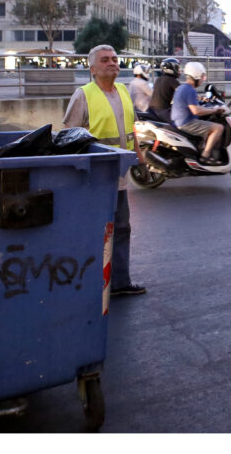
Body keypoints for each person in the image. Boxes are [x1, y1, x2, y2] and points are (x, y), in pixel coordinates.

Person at [63, 44, 147, 297]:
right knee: (95, 229)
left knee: (122, 228)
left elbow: (130, 129)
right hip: (95, 177)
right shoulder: (83, 94)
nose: (112, 63)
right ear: (92, 69)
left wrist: (140, 156)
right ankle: (87, 281)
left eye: (114, 59)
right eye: (105, 60)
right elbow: (69, 134)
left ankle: (120, 282)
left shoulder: (122, 90)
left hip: (119, 176)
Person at [171, 61, 228, 165]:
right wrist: (214, 110)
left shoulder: (183, 87)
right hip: (186, 123)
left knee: (208, 124)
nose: (203, 79)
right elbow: (196, 110)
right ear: (196, 75)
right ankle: (205, 156)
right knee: (218, 128)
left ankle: (202, 149)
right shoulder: (190, 90)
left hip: (178, 121)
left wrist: (203, 100)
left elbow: (194, 104)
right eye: (202, 77)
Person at [147, 57, 181, 124]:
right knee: (179, 124)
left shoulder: (159, 79)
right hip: (162, 111)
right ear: (172, 69)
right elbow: (183, 93)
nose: (179, 70)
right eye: (178, 68)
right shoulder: (173, 81)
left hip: (151, 110)